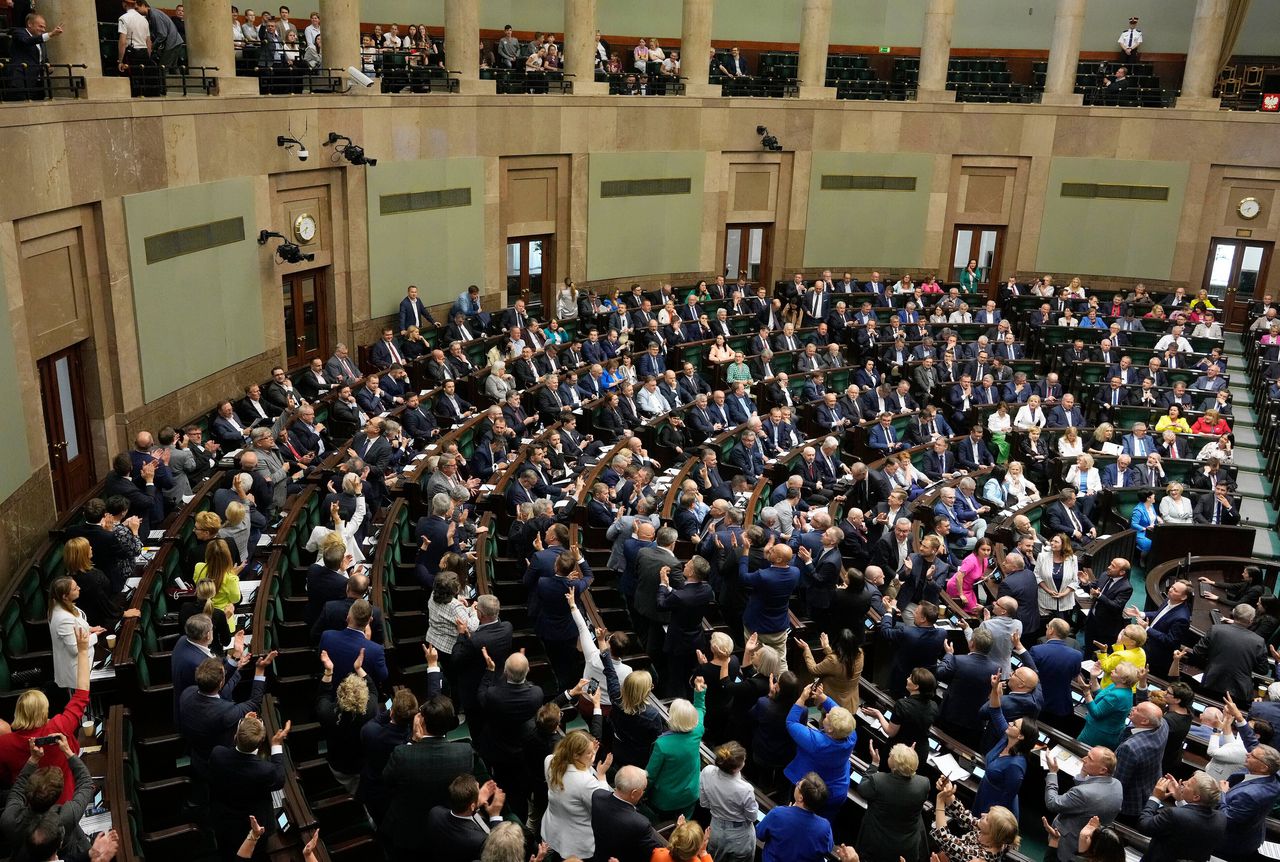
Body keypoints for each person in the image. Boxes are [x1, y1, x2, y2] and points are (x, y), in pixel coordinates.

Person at [0, 628, 90, 803]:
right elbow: (82, 693)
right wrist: (83, 651)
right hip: (68, 800)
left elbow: (5, 776)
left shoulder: (4, 744)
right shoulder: (58, 728)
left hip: (30, 806)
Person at [0, 732, 95, 860]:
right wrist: (67, 750)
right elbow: (86, 783)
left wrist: (33, 759)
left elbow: (17, 790)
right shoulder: (65, 817)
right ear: (56, 798)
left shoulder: (9, 819)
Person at [785, 681, 855, 822]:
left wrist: (802, 698)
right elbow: (838, 712)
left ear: (830, 729)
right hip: (838, 790)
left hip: (816, 793)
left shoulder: (817, 743)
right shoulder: (850, 734)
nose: (827, 713)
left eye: (828, 717)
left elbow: (791, 723)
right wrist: (823, 697)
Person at [315, 646, 379, 794]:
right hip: (362, 764)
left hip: (338, 764)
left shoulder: (327, 713)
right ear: (365, 697)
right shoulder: (371, 709)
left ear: (339, 693)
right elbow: (373, 688)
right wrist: (358, 668)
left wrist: (329, 671)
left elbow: (322, 695)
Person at [1044, 747, 1123, 862]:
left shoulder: (1083, 794)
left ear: (1102, 770)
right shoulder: (1116, 785)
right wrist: (1082, 775)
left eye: (1090, 759)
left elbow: (1052, 803)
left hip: (1067, 845)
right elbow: (1089, 792)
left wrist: (1052, 773)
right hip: (1089, 845)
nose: (1083, 759)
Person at [543, 730, 612, 861]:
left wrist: (587, 759)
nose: (593, 755)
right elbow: (604, 806)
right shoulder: (586, 781)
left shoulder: (550, 760)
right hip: (577, 842)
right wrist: (601, 775)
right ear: (575, 755)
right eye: (589, 753)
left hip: (553, 828)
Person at [974, 672, 1037, 816]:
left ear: (1020, 736)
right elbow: (996, 711)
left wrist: (992, 816)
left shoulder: (1016, 765)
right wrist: (995, 688)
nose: (1009, 723)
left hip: (996, 807)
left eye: (1014, 724)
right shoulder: (1005, 738)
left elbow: (1008, 797)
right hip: (984, 792)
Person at [854, 743, 929, 862]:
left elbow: (862, 789)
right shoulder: (924, 784)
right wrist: (909, 759)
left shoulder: (879, 781)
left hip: (877, 843)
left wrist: (874, 764)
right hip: (906, 846)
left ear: (894, 765)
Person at [646, 678, 707, 819]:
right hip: (690, 795)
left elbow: (651, 775)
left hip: (665, 800)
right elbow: (700, 709)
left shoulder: (662, 744)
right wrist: (699, 692)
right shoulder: (697, 730)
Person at [1187, 603, 1269, 704]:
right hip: (1239, 691)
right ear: (1251, 620)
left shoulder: (1215, 630)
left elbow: (1197, 652)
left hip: (1211, 682)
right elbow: (1263, 670)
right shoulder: (1259, 641)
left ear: (1233, 614)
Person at [1139, 772, 1227, 862]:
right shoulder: (1221, 818)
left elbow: (1144, 825)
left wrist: (1155, 798)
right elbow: (1192, 818)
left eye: (1188, 785)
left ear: (1196, 797)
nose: (1183, 782)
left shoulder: (1173, 814)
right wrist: (1180, 799)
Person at [930, 777, 1020, 862]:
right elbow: (963, 815)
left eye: (987, 819)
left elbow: (944, 837)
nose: (982, 814)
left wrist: (940, 799)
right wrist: (947, 791)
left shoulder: (978, 857)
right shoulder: (996, 838)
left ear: (993, 832)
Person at [589, 765, 663, 862]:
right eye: (643, 790)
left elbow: (603, 793)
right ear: (634, 793)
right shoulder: (640, 823)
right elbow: (657, 851)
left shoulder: (597, 796)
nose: (643, 793)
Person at [755, 773, 835, 862]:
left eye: (798, 785)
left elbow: (759, 834)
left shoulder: (778, 814)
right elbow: (828, 848)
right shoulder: (825, 827)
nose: (796, 783)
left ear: (801, 798)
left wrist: (787, 812)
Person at [426, 775, 507, 862]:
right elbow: (500, 850)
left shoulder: (434, 813)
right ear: (471, 806)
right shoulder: (479, 840)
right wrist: (495, 815)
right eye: (478, 790)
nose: (480, 792)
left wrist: (476, 802)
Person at [47, 577, 101, 693]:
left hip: (86, 659)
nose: (79, 588)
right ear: (65, 596)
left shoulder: (63, 605)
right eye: (75, 588)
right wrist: (95, 635)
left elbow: (76, 626)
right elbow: (75, 648)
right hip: (77, 670)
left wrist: (90, 629)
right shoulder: (63, 619)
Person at [796, 629, 862, 712]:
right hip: (850, 703)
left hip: (833, 705)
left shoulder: (833, 661)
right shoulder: (860, 654)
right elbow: (841, 662)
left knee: (826, 724)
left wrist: (806, 649)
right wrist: (826, 648)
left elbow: (814, 670)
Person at [1079, 662, 1137, 749]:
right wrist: (1093, 678)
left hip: (1098, 734)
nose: (1112, 671)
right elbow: (1100, 694)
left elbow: (1096, 713)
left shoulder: (1118, 696)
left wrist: (1087, 693)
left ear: (1124, 680)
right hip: (1097, 729)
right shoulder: (1118, 686)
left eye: (1116, 671)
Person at [1035, 533, 1079, 622]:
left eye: (1056, 542)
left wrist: (1064, 594)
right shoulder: (1042, 556)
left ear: (1063, 545)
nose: (1052, 543)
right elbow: (1036, 575)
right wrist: (1048, 590)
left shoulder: (1073, 559)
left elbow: (1075, 581)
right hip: (1046, 599)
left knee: (1062, 627)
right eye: (1052, 541)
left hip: (1065, 600)